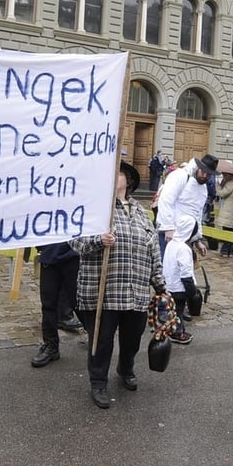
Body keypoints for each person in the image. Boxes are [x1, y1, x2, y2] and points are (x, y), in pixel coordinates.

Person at [70, 162, 166, 409]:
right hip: (104, 291)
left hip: (135, 292)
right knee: (101, 341)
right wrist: (98, 240)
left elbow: (153, 249)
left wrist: (160, 285)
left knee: (132, 339)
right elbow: (75, 241)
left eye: (119, 172)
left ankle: (126, 369)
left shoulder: (141, 212)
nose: (114, 176)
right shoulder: (95, 210)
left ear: (129, 181)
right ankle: (98, 382)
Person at [155, 154, 218, 259]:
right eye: (203, 172)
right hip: (170, 233)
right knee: (166, 269)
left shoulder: (203, 189)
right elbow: (166, 200)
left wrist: (197, 240)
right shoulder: (180, 176)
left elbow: (197, 214)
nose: (205, 176)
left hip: (187, 236)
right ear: (198, 168)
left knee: (183, 269)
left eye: (208, 174)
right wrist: (168, 228)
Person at [30, 242, 81, 367]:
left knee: (80, 303)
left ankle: (96, 340)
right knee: (48, 303)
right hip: (50, 255)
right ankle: (51, 346)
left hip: (74, 256)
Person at [163, 214, 204, 345]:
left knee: (173, 310)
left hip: (169, 284)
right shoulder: (184, 249)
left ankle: (174, 330)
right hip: (179, 287)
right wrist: (192, 292)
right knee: (178, 311)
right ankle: (177, 333)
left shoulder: (171, 243)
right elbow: (186, 274)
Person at [215, 160, 233, 258]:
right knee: (232, 232)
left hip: (228, 211)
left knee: (227, 233)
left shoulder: (231, 183)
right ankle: (230, 252)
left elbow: (222, 193)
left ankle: (225, 251)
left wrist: (217, 186)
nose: (223, 176)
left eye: (224, 175)